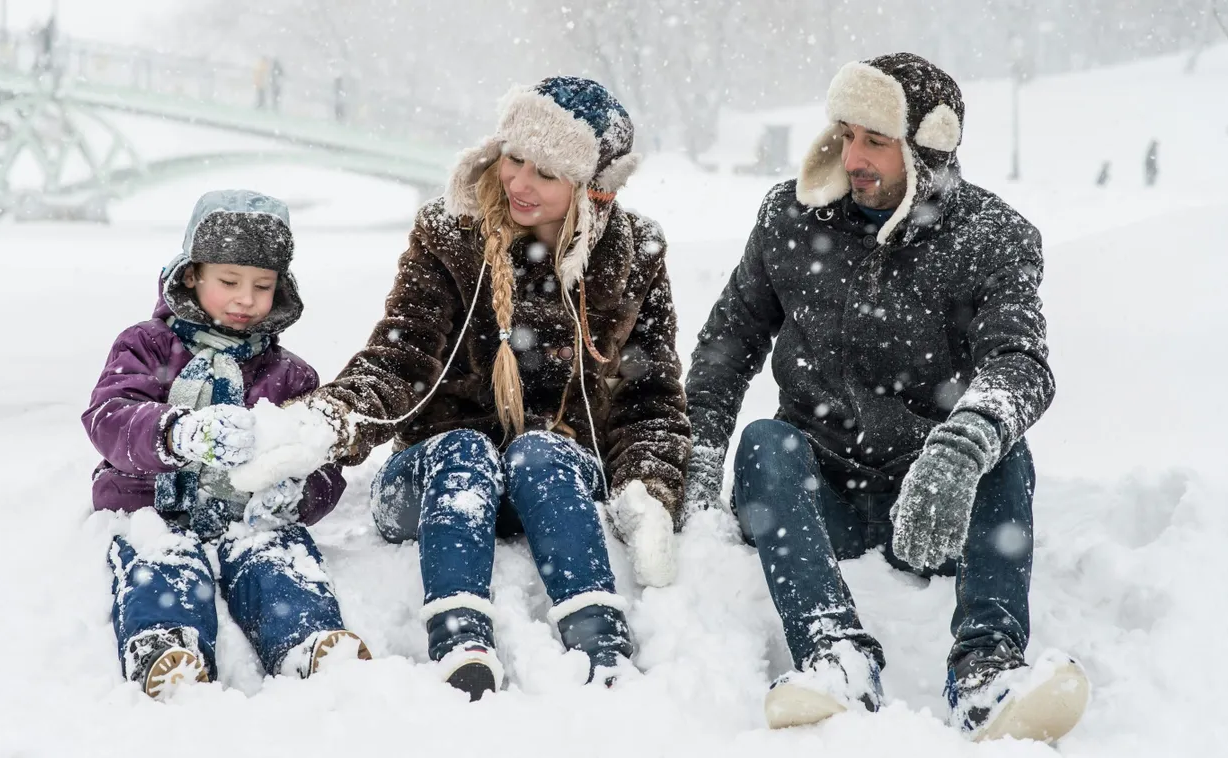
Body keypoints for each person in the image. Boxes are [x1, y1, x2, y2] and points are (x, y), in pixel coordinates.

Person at [684, 53, 1088, 742]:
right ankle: (833, 653)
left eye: (875, 140)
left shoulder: (992, 238)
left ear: (925, 149)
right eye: (844, 134)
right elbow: (726, 347)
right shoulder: (789, 217)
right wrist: (693, 462)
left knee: (1003, 448)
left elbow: (1020, 362)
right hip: (817, 496)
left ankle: (986, 670)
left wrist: (960, 448)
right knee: (762, 443)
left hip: (933, 506)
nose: (853, 156)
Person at [247, 77, 690, 700]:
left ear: (593, 189)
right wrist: (327, 421)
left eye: (545, 172)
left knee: (542, 451)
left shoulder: (632, 253)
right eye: (514, 157)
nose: (518, 182)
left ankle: (600, 642)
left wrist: (650, 488)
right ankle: (460, 638)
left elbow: (651, 396)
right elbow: (399, 357)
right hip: (433, 480)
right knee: (465, 450)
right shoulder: (449, 235)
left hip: (550, 484)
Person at [83, 190, 369, 699]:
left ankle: (307, 639)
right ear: (192, 274)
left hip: (247, 517)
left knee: (278, 558)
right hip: (151, 505)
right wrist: (176, 432)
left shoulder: (290, 375)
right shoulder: (146, 346)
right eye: (229, 282)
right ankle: (166, 644)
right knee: (162, 560)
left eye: (262, 285)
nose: (246, 299)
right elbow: (110, 416)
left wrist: (298, 493)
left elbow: (322, 463)